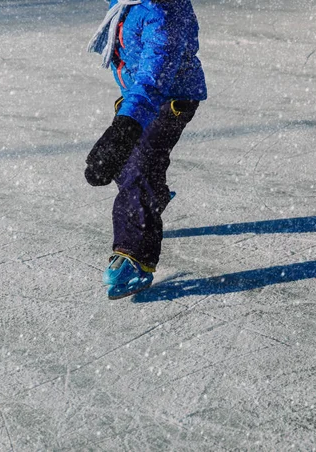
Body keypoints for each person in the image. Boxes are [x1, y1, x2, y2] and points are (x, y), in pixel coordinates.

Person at [85, 0, 207, 299]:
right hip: (141, 96)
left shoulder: (162, 12)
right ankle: (153, 196)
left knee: (138, 167)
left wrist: (126, 125)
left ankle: (135, 257)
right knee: (132, 165)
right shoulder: (127, 3)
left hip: (169, 98)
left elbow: (154, 78)